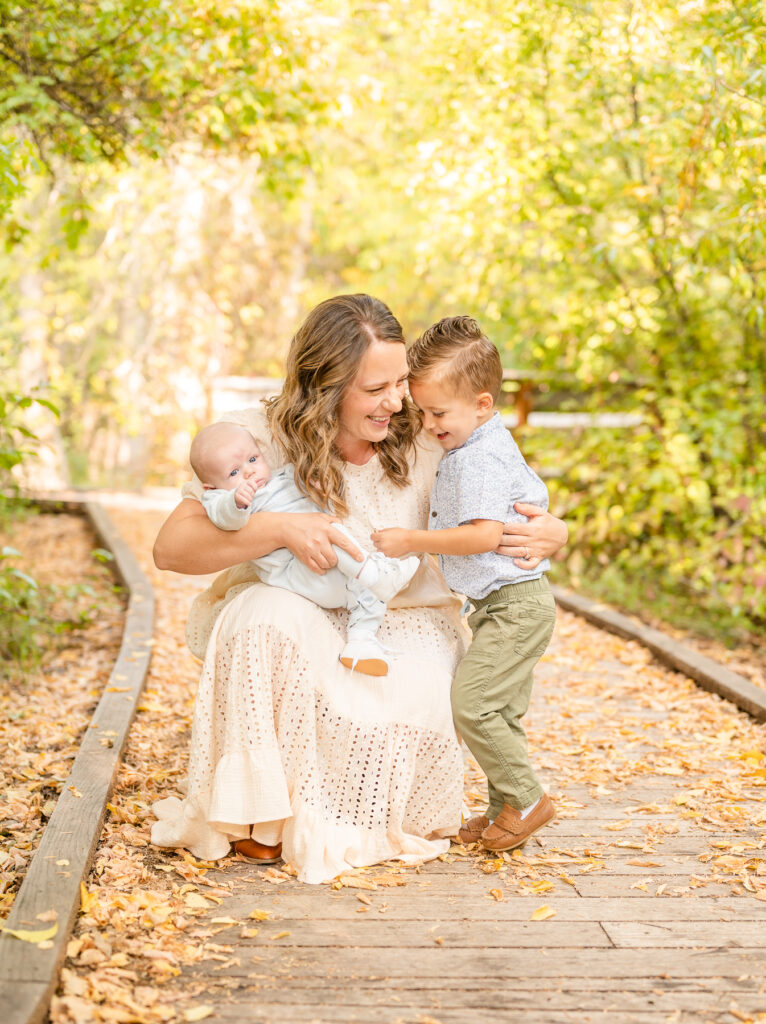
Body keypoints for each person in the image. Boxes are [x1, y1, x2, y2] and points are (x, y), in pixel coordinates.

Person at [150, 294, 567, 884]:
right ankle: (258, 815)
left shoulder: (429, 429)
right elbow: (171, 549)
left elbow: (506, 484)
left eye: (401, 383)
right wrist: (278, 528)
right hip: (306, 609)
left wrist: (554, 529)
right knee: (258, 614)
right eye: (378, 389)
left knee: (416, 685)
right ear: (324, 385)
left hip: (407, 617)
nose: (398, 401)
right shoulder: (255, 439)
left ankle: (346, 811)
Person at [373, 315, 556, 851]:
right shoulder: (473, 445)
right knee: (501, 711)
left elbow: (481, 536)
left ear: (481, 404)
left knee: (472, 704)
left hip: (513, 606)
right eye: (422, 411)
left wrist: (412, 540)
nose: (429, 424)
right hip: (507, 604)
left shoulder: (478, 458)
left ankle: (527, 798)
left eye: (437, 413)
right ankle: (503, 807)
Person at [188, 419, 420, 675]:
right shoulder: (221, 499)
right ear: (211, 487)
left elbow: (309, 483)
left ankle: (361, 643)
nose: (249, 473)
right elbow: (225, 517)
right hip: (297, 571)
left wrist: (318, 485)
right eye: (233, 472)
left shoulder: (282, 476)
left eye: (253, 459)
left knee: (367, 598)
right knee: (328, 533)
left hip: (331, 572)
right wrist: (236, 502)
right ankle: (374, 572)